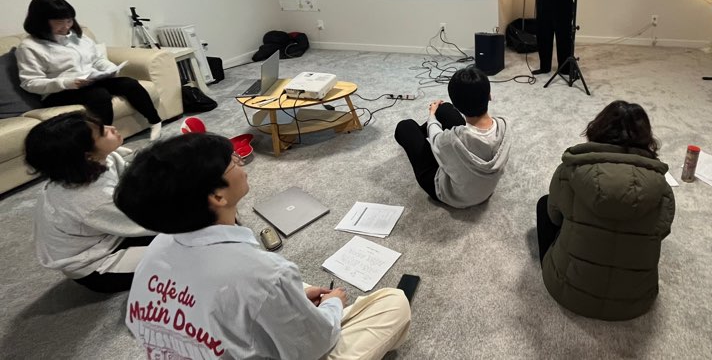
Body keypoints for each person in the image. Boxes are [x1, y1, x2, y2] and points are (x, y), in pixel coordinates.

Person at [114, 133, 411, 359]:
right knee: (393, 304)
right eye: (232, 161)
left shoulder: (157, 248)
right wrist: (333, 303)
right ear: (217, 197)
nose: (240, 161)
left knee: (293, 288)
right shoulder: (264, 274)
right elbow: (315, 345)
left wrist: (292, 299)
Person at [537, 100, 675, 320]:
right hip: (634, 301)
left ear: (597, 129)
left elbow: (554, 217)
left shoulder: (569, 172)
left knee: (545, 204)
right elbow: (661, 232)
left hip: (569, 293)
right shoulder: (661, 187)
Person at [25, 112, 155, 293]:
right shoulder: (90, 199)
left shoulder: (97, 162)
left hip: (111, 234)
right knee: (184, 247)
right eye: (103, 133)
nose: (112, 128)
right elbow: (149, 223)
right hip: (98, 266)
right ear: (87, 155)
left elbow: (133, 179)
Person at [16, 0, 163, 140]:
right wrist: (67, 83)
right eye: (60, 22)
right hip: (58, 92)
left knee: (128, 83)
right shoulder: (29, 47)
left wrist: (110, 69)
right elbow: (30, 83)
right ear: (41, 22)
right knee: (99, 95)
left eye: (69, 20)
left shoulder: (78, 36)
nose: (66, 26)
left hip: (89, 81)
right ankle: (103, 142)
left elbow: (97, 60)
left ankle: (155, 121)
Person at [394, 66, 510, 208]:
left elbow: (435, 138)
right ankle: (421, 132)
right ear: (489, 96)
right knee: (444, 109)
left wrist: (432, 115)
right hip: (485, 190)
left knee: (405, 127)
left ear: (457, 107)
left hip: (451, 195)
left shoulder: (450, 140)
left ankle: (418, 133)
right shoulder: (504, 125)